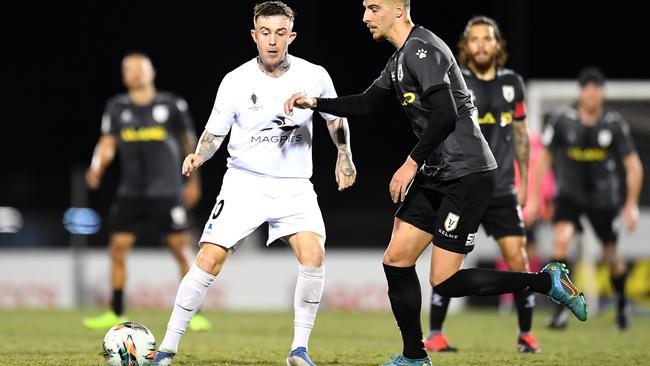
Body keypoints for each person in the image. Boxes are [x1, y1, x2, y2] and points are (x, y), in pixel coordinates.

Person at [285, 1, 586, 365]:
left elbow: (446, 114)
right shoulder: (398, 60)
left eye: (373, 7)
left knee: (443, 280)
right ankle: (414, 356)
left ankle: (546, 282)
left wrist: (409, 164)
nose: (365, 17)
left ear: (398, 9)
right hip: (438, 171)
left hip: (467, 172)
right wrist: (315, 103)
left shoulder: (422, 49)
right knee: (396, 260)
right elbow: (365, 103)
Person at [152, 2, 357, 365]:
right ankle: (167, 348)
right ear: (254, 36)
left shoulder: (314, 75)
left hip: (294, 185)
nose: (272, 41)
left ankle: (299, 350)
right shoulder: (235, 81)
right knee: (208, 259)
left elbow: (334, 118)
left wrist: (344, 155)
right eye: (265, 33)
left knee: (314, 255)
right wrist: (199, 155)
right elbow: (214, 133)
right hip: (244, 183)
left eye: (280, 33)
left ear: (291, 36)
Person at [422, 15, 539, 354]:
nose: (481, 45)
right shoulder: (453, 78)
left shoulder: (513, 83)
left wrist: (527, 182)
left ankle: (526, 335)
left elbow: (521, 133)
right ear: (465, 46)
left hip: (502, 188)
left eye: (487, 39)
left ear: (497, 45)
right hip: (464, 185)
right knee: (446, 264)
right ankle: (436, 333)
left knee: (518, 259)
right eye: (474, 39)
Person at [83, 52, 212, 332]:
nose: (135, 73)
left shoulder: (172, 104)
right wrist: (97, 166)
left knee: (181, 249)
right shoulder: (117, 107)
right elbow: (107, 142)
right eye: (129, 69)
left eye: (141, 68)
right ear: (123, 76)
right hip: (130, 192)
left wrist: (194, 181)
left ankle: (195, 313)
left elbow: (189, 142)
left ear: (152, 72)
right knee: (117, 249)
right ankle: (115, 311)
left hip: (167, 191)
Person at [529, 67, 644, 330]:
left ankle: (622, 305)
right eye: (587, 89)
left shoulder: (614, 124)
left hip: (604, 198)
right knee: (561, 243)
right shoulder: (562, 120)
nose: (592, 94)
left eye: (597, 89)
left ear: (602, 93)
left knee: (611, 256)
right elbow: (544, 158)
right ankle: (562, 309)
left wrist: (631, 205)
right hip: (569, 195)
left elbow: (634, 165)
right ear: (581, 92)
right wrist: (535, 198)